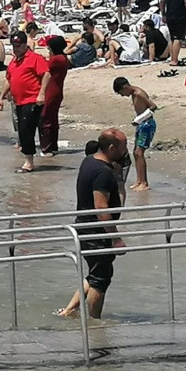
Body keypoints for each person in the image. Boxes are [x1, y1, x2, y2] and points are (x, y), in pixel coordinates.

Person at [57, 129, 127, 318]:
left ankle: (69, 310)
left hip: (84, 228)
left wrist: (119, 178)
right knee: (101, 279)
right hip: (96, 233)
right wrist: (115, 238)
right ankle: (94, 323)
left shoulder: (89, 161)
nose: (125, 150)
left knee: (96, 273)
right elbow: (101, 208)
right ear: (112, 148)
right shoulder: (102, 173)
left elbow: (116, 201)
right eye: (123, 146)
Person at [0, 31, 50, 173]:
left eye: (18, 46)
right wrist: (1, 97)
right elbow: (9, 79)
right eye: (13, 46)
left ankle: (29, 162)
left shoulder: (35, 58)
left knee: (26, 130)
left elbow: (46, 74)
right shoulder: (14, 61)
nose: (16, 49)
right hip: (18, 101)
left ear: (25, 44)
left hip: (32, 99)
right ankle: (29, 157)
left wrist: (41, 94)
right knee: (22, 130)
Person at [113, 77, 156, 191]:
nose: (122, 95)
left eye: (121, 93)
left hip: (147, 124)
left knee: (139, 152)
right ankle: (139, 180)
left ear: (125, 87)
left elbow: (153, 107)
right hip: (141, 125)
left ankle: (144, 183)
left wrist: (140, 118)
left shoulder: (138, 93)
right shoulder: (133, 94)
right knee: (135, 153)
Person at [40, 35, 70, 156]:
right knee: (52, 119)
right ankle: (53, 146)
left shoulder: (56, 59)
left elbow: (45, 70)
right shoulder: (63, 58)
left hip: (51, 91)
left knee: (45, 118)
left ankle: (47, 148)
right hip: (57, 91)